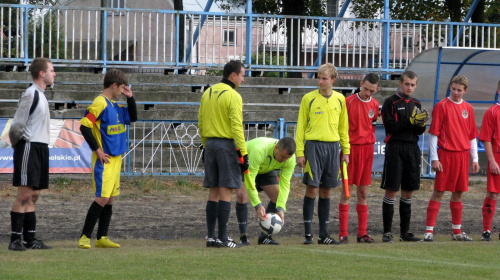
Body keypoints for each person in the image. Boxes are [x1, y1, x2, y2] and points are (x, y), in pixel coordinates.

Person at [77, 69, 137, 249]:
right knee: (101, 199)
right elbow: (84, 126)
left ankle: (102, 237)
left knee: (110, 199)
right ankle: (84, 237)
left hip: (116, 159)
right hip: (105, 160)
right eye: (121, 88)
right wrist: (98, 150)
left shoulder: (114, 105)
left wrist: (130, 97)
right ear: (114, 85)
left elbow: (132, 117)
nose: (122, 92)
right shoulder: (100, 103)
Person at [296, 63, 350, 245]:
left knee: (327, 190)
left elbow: (344, 127)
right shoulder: (308, 99)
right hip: (313, 147)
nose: (320, 81)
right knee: (312, 188)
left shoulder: (340, 99)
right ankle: (308, 234)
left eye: (324, 78)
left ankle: (324, 234)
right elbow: (301, 127)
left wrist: (346, 151)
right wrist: (300, 152)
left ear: (333, 80)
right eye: (318, 78)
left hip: (333, 148)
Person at [198, 60, 248, 249]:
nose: (243, 80)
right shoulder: (233, 96)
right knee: (226, 190)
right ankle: (223, 237)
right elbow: (236, 127)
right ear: (233, 76)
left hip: (210, 144)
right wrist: (243, 153)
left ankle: (211, 237)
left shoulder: (208, 92)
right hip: (226, 146)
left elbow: (201, 121)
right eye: (242, 75)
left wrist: (205, 145)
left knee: (213, 191)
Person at [8, 57, 56, 251]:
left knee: (34, 194)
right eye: (52, 70)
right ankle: (15, 240)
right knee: (24, 194)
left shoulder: (42, 95)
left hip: (41, 147)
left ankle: (30, 239)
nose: (55, 73)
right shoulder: (31, 94)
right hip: (29, 146)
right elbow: (17, 125)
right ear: (42, 73)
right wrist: (17, 144)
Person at [423, 75, 479, 242]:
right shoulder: (441, 106)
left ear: (465, 91)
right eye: (453, 89)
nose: (455, 92)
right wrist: (434, 158)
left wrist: (474, 158)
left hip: (463, 156)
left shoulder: (468, 108)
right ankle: (429, 231)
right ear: (450, 88)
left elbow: (472, 136)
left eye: (459, 90)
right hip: (446, 155)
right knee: (438, 192)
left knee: (458, 193)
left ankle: (456, 232)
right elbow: (434, 134)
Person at [380, 70, 427, 243]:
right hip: (395, 148)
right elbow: (390, 127)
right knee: (391, 189)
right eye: (406, 84)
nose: (409, 87)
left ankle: (405, 232)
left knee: (408, 191)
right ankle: (386, 232)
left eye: (412, 85)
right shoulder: (390, 102)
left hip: (412, 149)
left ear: (416, 86)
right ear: (400, 83)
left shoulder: (416, 103)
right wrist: (410, 121)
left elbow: (419, 131)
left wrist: (421, 124)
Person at [338, 73, 380, 244]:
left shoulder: (375, 105)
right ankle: (343, 233)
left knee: (363, 192)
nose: (368, 93)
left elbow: (373, 127)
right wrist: (344, 150)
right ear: (361, 84)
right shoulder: (348, 102)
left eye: (372, 91)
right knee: (347, 192)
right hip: (351, 151)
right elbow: (341, 128)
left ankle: (362, 233)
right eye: (366, 89)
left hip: (367, 150)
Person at [235, 137, 296, 245]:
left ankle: (264, 237)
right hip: (245, 165)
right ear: (276, 148)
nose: (284, 160)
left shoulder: (290, 159)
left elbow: (285, 185)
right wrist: (258, 205)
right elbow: (250, 180)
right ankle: (243, 237)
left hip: (265, 169)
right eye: (282, 156)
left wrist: (281, 208)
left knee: (277, 197)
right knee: (242, 195)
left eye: (287, 158)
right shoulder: (259, 150)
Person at [477, 80, 500, 242]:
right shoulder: (492, 112)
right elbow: (486, 139)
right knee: (492, 193)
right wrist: (492, 161)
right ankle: (487, 230)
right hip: (497, 156)